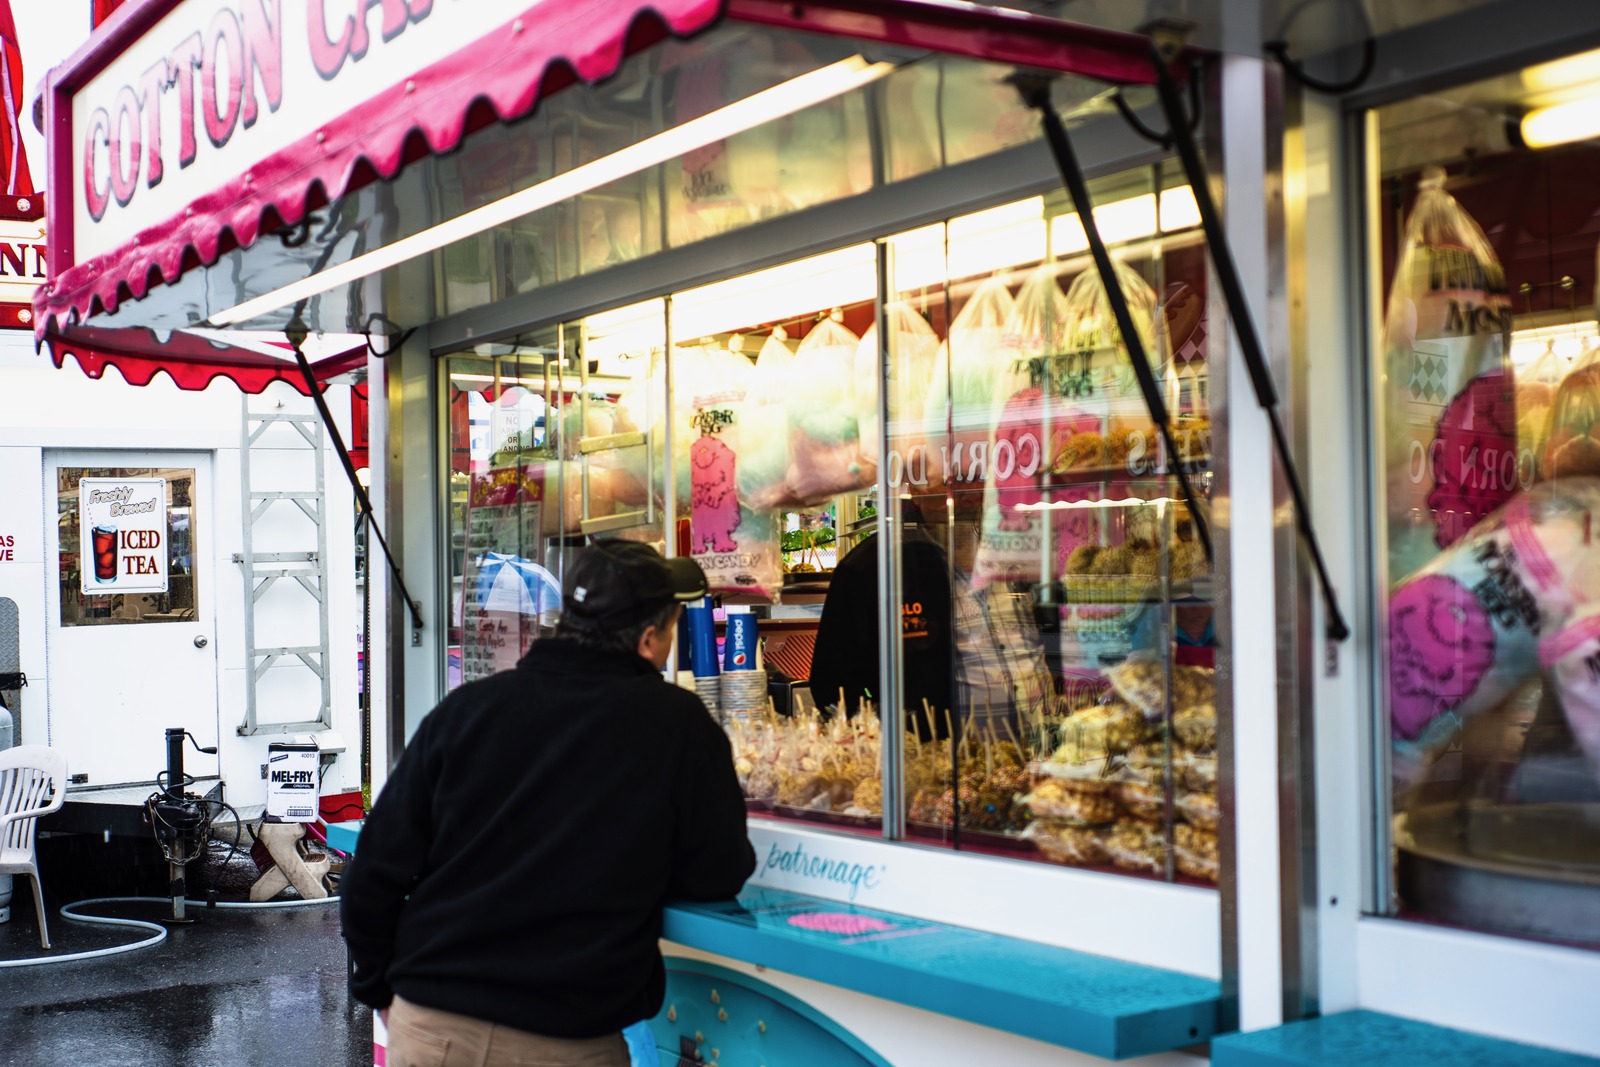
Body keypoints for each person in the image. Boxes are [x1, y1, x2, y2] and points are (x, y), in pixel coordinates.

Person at [341, 539, 756, 1067]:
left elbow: (372, 873)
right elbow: (718, 872)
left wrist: (380, 991)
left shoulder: (466, 711)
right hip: (564, 1040)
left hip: (430, 1026)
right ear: (650, 640)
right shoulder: (678, 724)